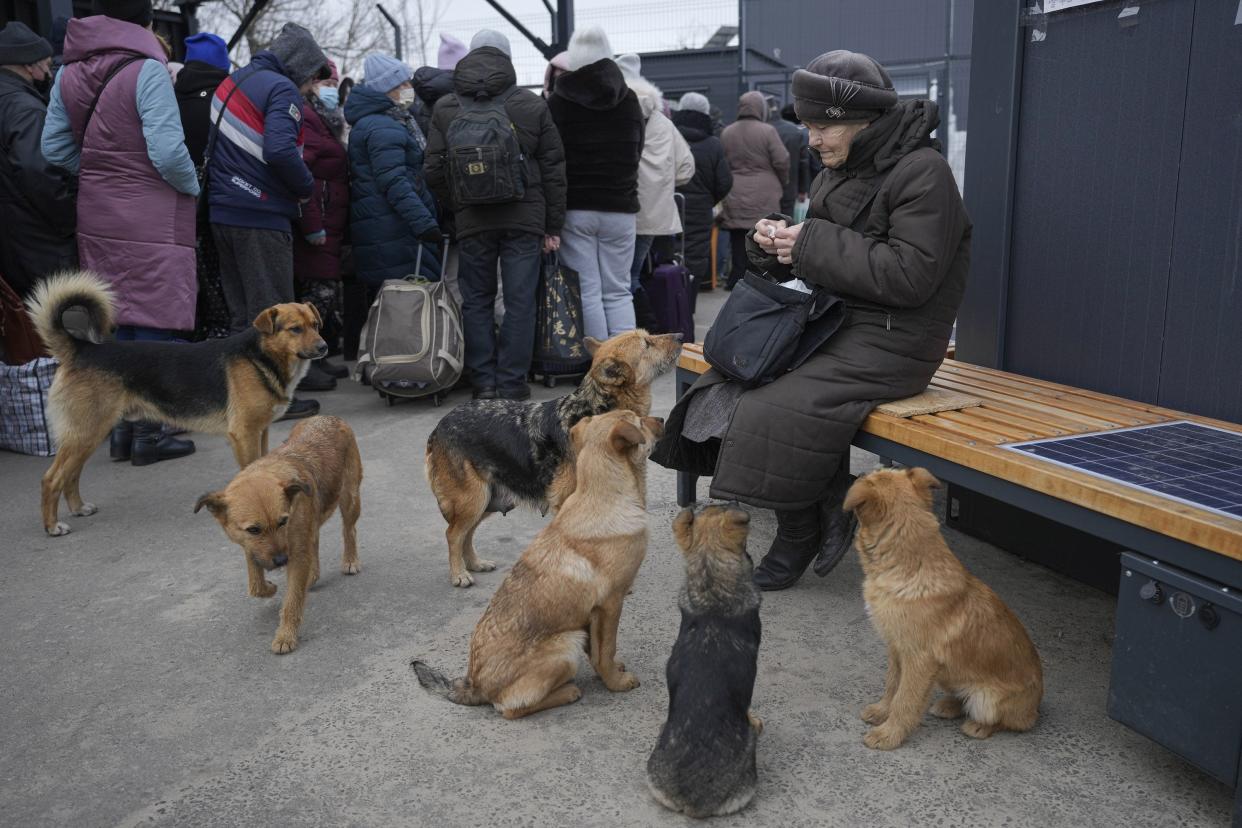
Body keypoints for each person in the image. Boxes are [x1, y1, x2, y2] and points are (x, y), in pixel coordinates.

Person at [653, 50, 971, 591]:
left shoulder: (925, 173)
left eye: (823, 127)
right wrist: (774, 245)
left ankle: (799, 527)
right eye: (808, 127)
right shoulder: (842, 166)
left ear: (864, 122)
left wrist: (812, 244)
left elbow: (910, 277)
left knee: (772, 402)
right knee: (728, 377)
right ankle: (824, 502)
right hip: (833, 321)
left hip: (896, 340)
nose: (813, 140)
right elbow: (822, 256)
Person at [42, 0, 199, 464]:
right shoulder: (147, 68)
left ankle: (120, 435)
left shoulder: (67, 72)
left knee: (114, 317)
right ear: (145, 22)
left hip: (98, 209)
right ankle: (153, 435)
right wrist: (191, 186)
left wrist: (99, 173)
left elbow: (53, 147)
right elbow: (169, 153)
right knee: (156, 319)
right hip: (152, 208)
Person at [424, 30, 566, 401]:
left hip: (473, 220)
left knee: (476, 301)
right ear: (507, 59)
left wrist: (459, 205)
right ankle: (513, 382)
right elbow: (553, 168)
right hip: (524, 218)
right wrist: (553, 225)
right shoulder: (530, 104)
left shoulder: (446, 107)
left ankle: (483, 382)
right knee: (520, 301)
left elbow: (433, 170)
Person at [205, 22, 330, 410]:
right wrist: (306, 185)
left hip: (224, 210)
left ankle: (242, 397)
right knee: (273, 309)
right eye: (312, 79)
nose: (312, 89)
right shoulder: (281, 88)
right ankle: (275, 397)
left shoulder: (234, 82)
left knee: (244, 315)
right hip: (261, 212)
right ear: (301, 68)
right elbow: (279, 150)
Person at [547, 26, 643, 341]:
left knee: (587, 290)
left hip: (577, 208)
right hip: (621, 207)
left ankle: (602, 366)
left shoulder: (559, 102)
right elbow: (637, 150)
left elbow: (552, 158)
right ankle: (628, 363)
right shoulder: (629, 99)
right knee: (618, 289)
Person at [344, 52, 441, 292]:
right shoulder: (382, 126)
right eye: (404, 84)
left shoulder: (385, 121)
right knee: (404, 309)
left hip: (387, 228)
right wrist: (424, 223)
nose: (410, 88)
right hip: (396, 232)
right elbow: (393, 179)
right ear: (387, 89)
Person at [0, 22, 77, 299]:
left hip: (11, 239)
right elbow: (39, 171)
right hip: (38, 242)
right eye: (45, 65)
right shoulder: (25, 108)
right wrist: (70, 218)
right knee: (62, 330)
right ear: (29, 66)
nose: (48, 72)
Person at [292, 59, 349, 381]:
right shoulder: (308, 117)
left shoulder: (325, 118)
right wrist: (313, 223)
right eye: (325, 83)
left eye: (333, 84)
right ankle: (306, 362)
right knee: (317, 290)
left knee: (325, 289)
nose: (331, 90)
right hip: (318, 218)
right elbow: (305, 175)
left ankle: (317, 356)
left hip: (330, 214)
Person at [617, 54, 694, 295]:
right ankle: (642, 324)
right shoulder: (663, 123)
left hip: (616, 208)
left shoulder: (612, 114)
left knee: (615, 279)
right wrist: (662, 183)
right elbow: (686, 168)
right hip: (653, 214)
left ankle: (625, 329)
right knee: (634, 274)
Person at [174, 32, 230, 340]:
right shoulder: (224, 101)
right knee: (219, 276)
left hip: (178, 202)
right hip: (218, 201)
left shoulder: (170, 95)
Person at [717, 90, 789, 289]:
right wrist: (782, 181)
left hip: (735, 191)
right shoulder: (767, 131)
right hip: (765, 191)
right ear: (761, 108)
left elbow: (722, 163)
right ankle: (760, 277)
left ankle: (736, 277)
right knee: (764, 237)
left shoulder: (727, 132)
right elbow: (782, 160)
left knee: (737, 238)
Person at [672, 92, 732, 295]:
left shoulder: (668, 137)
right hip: (700, 211)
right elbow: (724, 182)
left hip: (669, 207)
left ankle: (670, 307)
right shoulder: (713, 144)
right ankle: (688, 310)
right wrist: (709, 200)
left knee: (668, 256)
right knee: (695, 259)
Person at [767, 95, 810, 216]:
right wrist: (803, 189)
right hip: (790, 188)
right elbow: (804, 162)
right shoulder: (794, 131)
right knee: (786, 224)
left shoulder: (759, 131)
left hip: (764, 189)